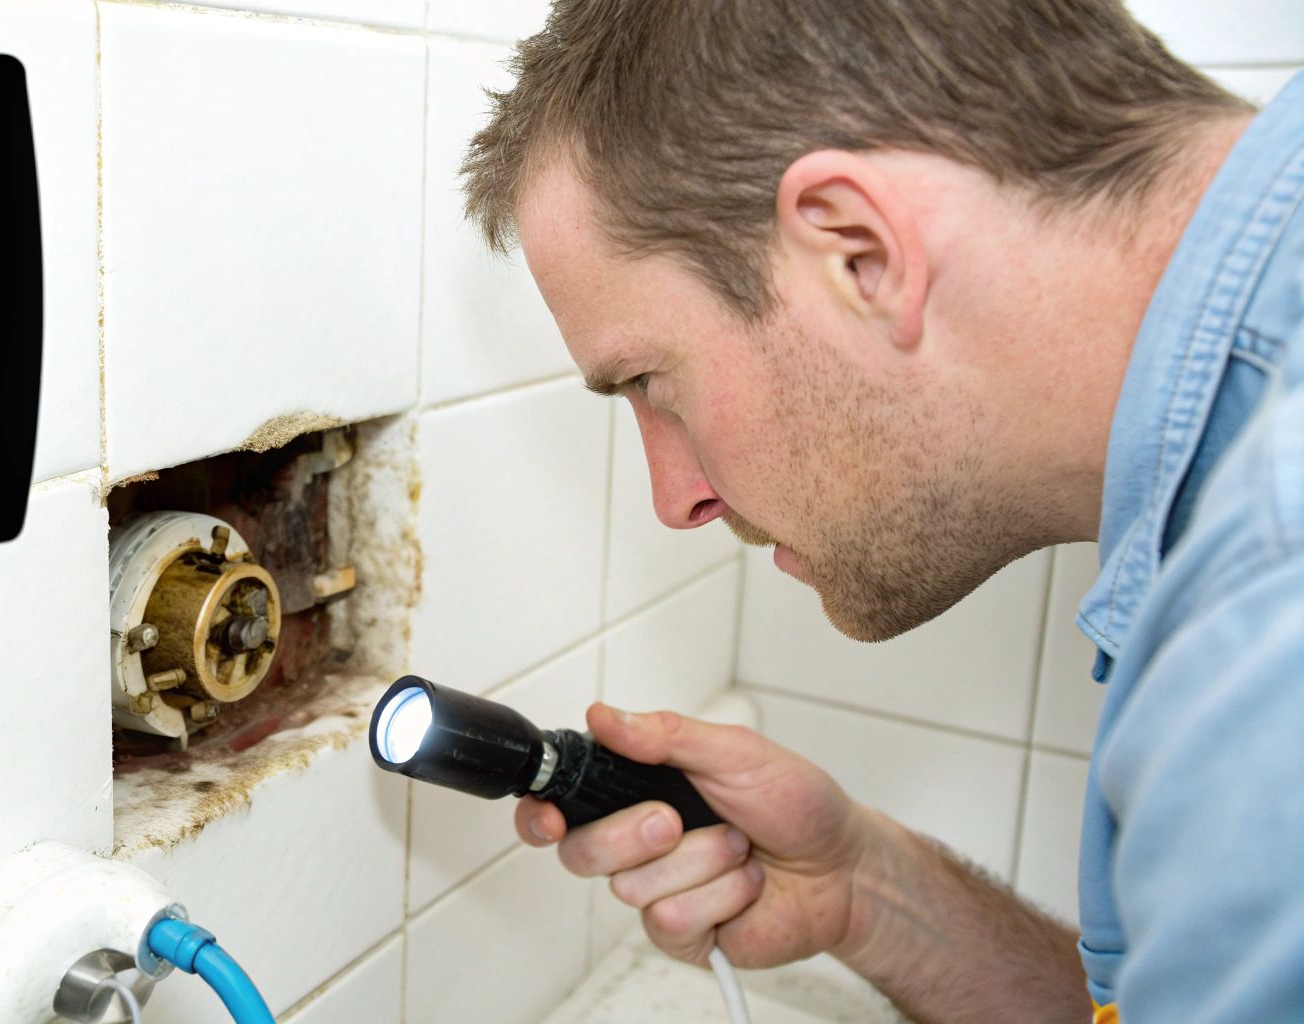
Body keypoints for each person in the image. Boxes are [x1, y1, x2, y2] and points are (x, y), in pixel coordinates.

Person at [458, 1, 1304, 1021]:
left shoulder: (1270, 604)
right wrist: (866, 890)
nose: (674, 498)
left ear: (856, 250)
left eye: (649, 377)